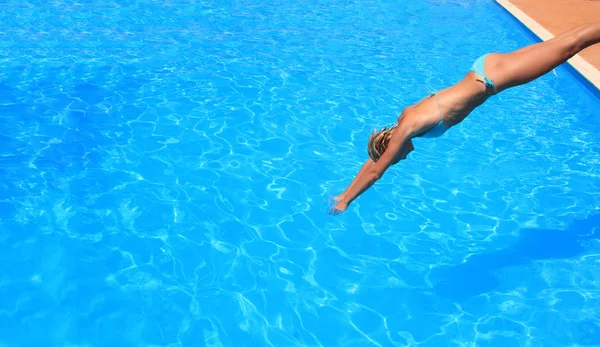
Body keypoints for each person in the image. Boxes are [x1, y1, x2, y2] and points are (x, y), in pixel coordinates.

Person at [330, 23, 600, 215]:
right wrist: (344, 192)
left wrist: (347, 202)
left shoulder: (407, 129)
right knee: (561, 44)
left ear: (392, 146)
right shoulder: (403, 122)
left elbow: (377, 171)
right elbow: (373, 161)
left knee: (570, 46)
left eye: (398, 156)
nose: (404, 157)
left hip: (495, 78)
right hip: (483, 68)